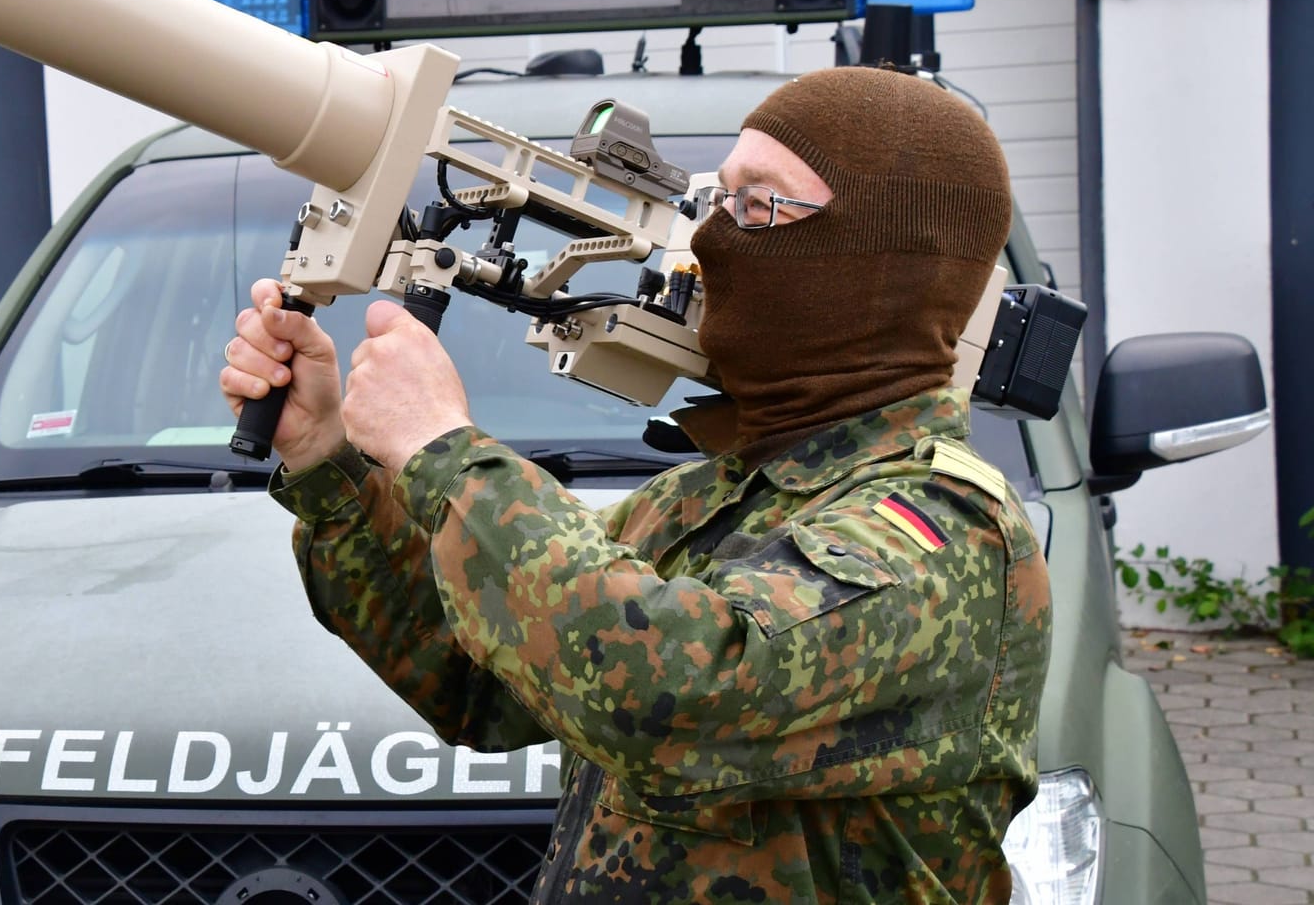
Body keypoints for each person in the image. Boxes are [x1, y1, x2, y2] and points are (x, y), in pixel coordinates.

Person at [218, 66, 1051, 903]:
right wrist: (328, 459)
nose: (711, 240)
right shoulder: (707, 497)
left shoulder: (942, 529)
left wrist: (444, 449)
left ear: (884, 265)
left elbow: (672, 697)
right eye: (716, 200)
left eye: (755, 207)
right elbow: (479, 679)